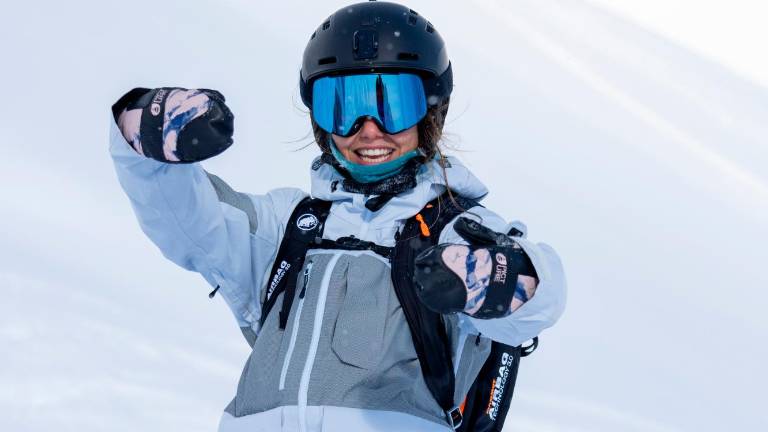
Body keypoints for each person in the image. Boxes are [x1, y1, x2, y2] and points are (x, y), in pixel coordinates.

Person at [109, 2, 566, 431]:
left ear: (430, 112)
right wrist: (142, 134)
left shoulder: (455, 234)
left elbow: (537, 298)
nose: (368, 129)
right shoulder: (288, 226)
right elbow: (187, 222)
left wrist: (500, 278)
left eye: (394, 104)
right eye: (341, 105)